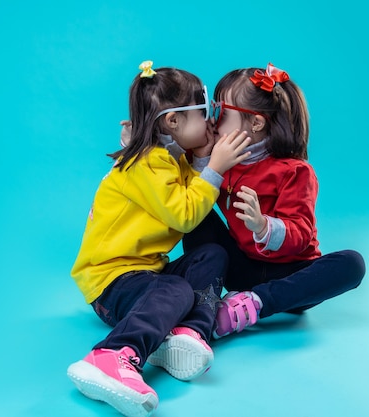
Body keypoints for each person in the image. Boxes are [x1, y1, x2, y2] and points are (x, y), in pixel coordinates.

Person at [67, 60, 251, 417]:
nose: (211, 120)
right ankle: (111, 355)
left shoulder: (166, 158)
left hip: (144, 275)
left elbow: (186, 192)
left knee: (211, 255)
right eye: (204, 111)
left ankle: (186, 334)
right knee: (175, 290)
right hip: (110, 282)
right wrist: (214, 167)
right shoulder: (146, 162)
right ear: (172, 122)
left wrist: (200, 157)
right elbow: (184, 214)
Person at [182, 63, 366, 339]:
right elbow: (187, 186)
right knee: (195, 215)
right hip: (243, 269)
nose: (213, 120)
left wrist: (262, 226)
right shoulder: (223, 162)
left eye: (221, 112)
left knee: (352, 264)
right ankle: (204, 303)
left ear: (256, 123)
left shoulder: (295, 171)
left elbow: (301, 234)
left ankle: (252, 305)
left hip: (292, 276)